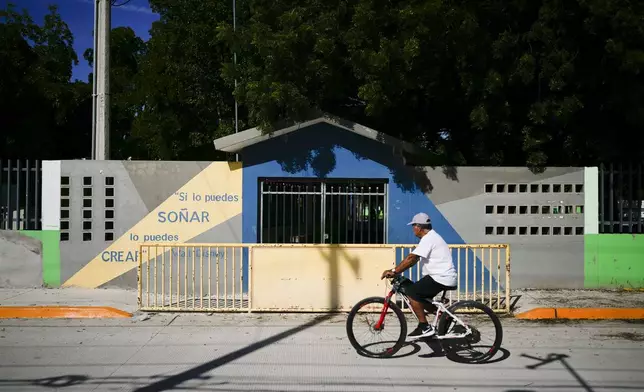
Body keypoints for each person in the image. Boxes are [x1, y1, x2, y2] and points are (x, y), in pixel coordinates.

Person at [381, 212, 458, 338]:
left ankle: (425, 327)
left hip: (441, 277)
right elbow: (415, 260)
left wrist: (394, 271)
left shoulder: (429, 239)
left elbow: (412, 258)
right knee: (419, 296)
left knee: (413, 294)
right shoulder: (430, 237)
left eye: (413, 226)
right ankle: (444, 317)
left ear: (419, 227)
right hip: (439, 277)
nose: (413, 229)